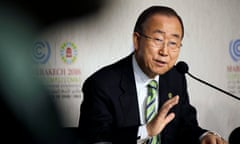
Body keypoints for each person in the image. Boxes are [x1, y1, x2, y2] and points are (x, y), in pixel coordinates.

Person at [78, 5, 228, 144]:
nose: (164, 52)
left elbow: (185, 126)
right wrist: (146, 131)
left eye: (173, 43)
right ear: (137, 40)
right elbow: (97, 139)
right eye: (158, 39)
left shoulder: (175, 78)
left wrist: (204, 136)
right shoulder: (102, 84)